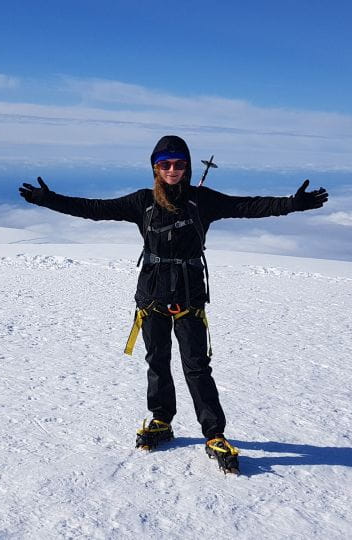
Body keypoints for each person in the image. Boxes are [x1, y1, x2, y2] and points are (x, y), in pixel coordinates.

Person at [19, 135, 328, 473]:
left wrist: (292, 204)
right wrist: (49, 200)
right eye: (165, 164)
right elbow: (94, 210)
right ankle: (161, 421)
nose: (172, 170)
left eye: (179, 164)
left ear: (188, 166)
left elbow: (249, 206)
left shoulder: (202, 201)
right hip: (151, 296)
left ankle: (214, 434)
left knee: (196, 367)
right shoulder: (142, 202)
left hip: (189, 297)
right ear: (155, 166)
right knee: (157, 360)